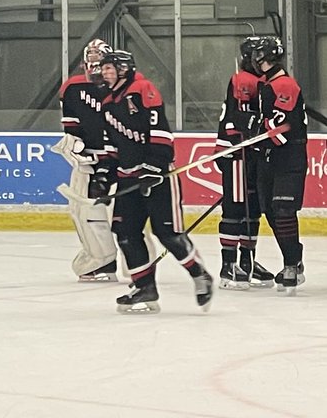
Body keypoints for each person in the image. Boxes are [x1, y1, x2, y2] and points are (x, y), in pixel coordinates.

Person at [98, 49, 213, 315]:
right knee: (125, 233)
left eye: (109, 67)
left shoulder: (143, 88)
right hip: (129, 179)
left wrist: (154, 165)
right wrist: (104, 175)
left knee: (168, 234)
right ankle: (144, 287)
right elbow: (111, 145)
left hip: (157, 177)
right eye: (103, 68)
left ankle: (199, 275)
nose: (104, 72)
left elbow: (159, 131)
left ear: (124, 68)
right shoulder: (107, 102)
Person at [55, 38, 119, 281]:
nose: (93, 58)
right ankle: (102, 260)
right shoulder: (72, 87)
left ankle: (120, 262)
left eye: (99, 54)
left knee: (119, 216)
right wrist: (75, 147)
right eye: (90, 54)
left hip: (118, 159)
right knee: (82, 210)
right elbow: (72, 127)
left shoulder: (122, 86)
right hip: (88, 161)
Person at [250, 34, 309, 292]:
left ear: (263, 58)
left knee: (283, 209)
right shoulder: (267, 84)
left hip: (289, 157)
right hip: (271, 158)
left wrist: (258, 131)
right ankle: (294, 257)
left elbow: (282, 128)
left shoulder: (284, 85)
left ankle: (291, 264)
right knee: (272, 212)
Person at [216, 36, 274, 289]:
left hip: (252, 154)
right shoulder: (243, 80)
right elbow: (237, 119)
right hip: (236, 154)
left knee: (252, 209)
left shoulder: (259, 81)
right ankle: (228, 266)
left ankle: (247, 261)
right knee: (235, 209)